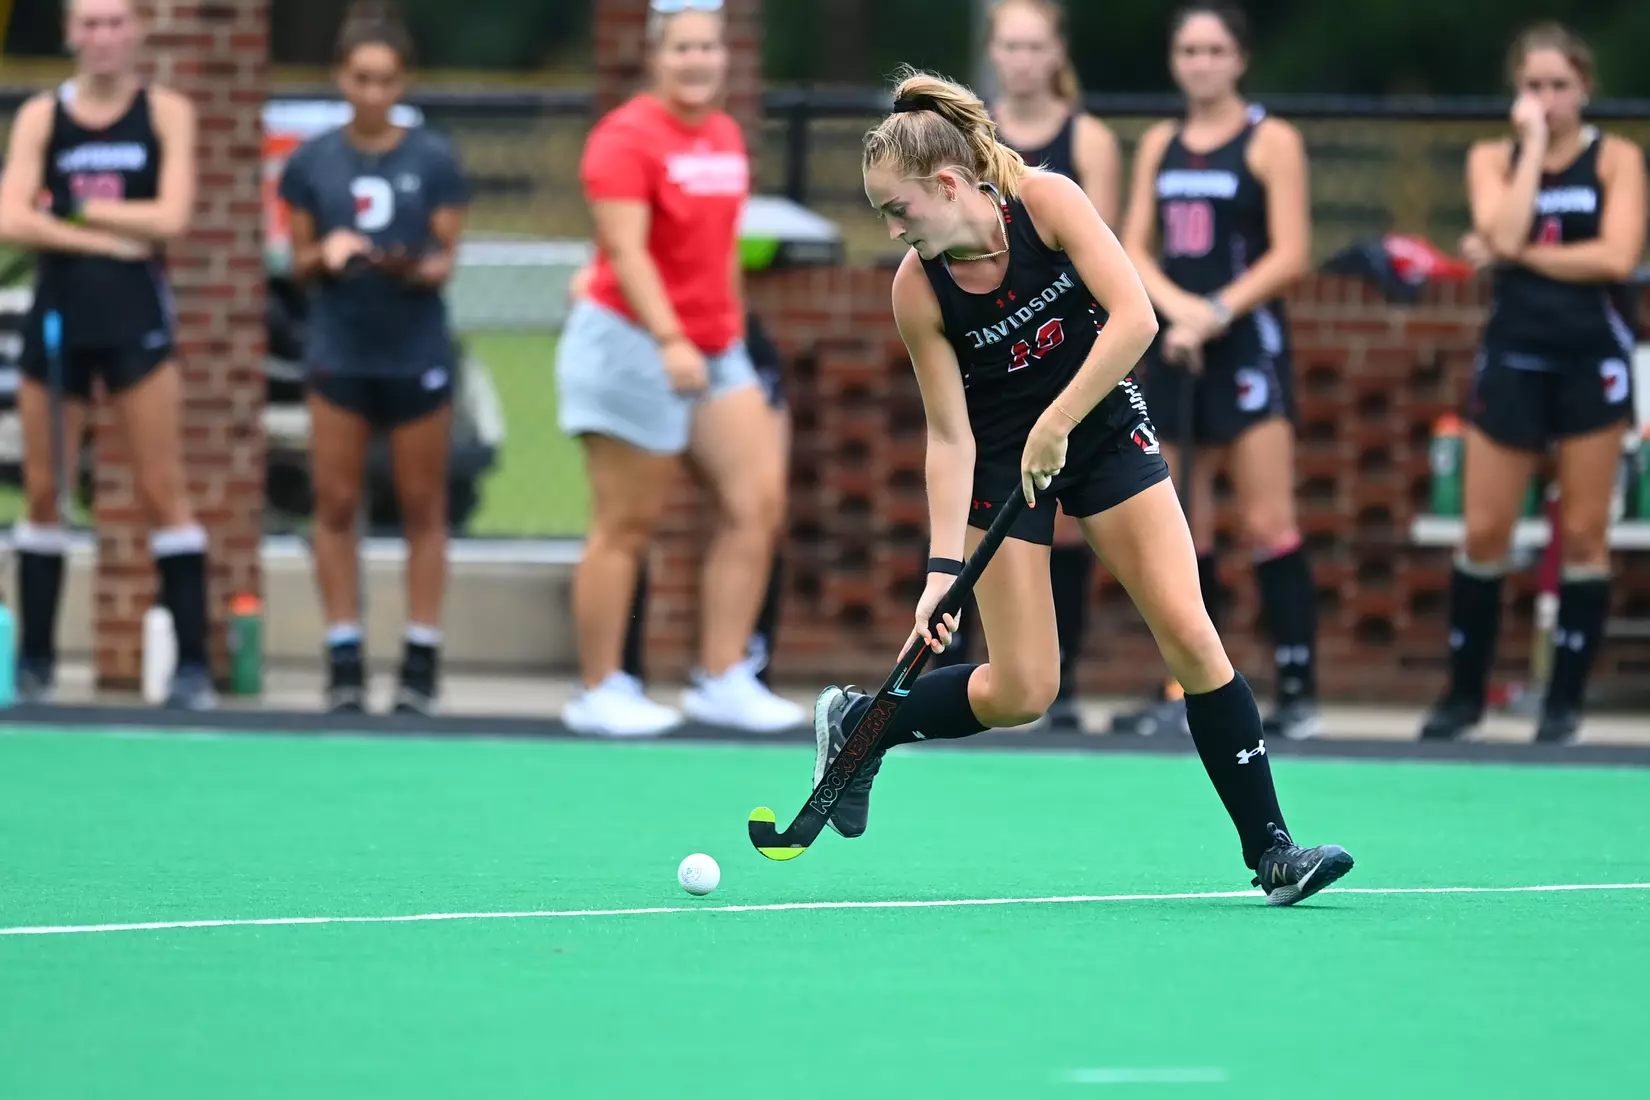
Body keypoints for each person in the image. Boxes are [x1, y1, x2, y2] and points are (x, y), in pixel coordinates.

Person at [820, 67, 1353, 905]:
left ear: (949, 185)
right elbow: (950, 435)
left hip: (1100, 430)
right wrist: (939, 570)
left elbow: (1136, 316)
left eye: (898, 210)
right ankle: (865, 723)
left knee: (1191, 634)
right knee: (1024, 690)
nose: (891, 230)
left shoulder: (1047, 203)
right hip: (1004, 463)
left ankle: (1272, 852)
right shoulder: (917, 291)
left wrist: (1060, 419)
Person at [556, 0, 804, 737]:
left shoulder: (725, 134)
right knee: (625, 524)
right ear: (655, 56)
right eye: (683, 48)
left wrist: (729, 335)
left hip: (716, 349)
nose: (697, 61)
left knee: (757, 504)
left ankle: (722, 676)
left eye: (708, 47)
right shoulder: (624, 137)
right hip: (634, 342)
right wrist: (670, 339)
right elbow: (625, 250)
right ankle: (601, 688)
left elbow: (720, 249)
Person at [1424, 24, 1644, 744]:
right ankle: (1464, 697)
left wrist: (1514, 252)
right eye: (1533, 86)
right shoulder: (1493, 157)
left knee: (1582, 533)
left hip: (1591, 355)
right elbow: (1503, 226)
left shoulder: (1616, 158)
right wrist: (1531, 155)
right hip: (1514, 354)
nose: (1547, 99)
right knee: (1486, 529)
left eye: (1559, 86)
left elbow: (1615, 256)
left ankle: (1563, 705)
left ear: (1585, 87)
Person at [0, 0, 213, 709]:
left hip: (135, 319)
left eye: (115, 22)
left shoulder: (165, 113)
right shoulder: (43, 117)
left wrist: (73, 207)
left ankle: (191, 666)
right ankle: (35, 663)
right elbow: (10, 216)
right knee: (44, 488)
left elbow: (171, 216)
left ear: (137, 30)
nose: (103, 37)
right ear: (70, 33)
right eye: (90, 24)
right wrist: (109, 239)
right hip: (60, 317)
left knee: (161, 487)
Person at [1116, 3, 1319, 740]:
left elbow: (1291, 253)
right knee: (1181, 526)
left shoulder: (1271, 140)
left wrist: (1216, 311)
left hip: (1245, 345)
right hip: (1176, 344)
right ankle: (1188, 688)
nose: (1201, 64)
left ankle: (1297, 687)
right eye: (1189, 51)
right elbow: (1133, 245)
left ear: (1239, 58)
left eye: (1214, 50)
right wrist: (1179, 313)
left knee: (1267, 521)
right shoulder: (1160, 144)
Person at [927, 0, 1123, 732]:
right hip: (1002, 403)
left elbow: (1106, 263)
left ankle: (1062, 676)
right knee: (983, 507)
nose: (1023, 59)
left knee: (1071, 530)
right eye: (1009, 45)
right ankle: (990, 667)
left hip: (1079, 370)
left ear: (1057, 53)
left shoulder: (1081, 149)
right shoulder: (958, 145)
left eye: (1035, 45)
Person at [278, 0, 471, 714]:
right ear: (341, 78)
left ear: (403, 82)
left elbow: (444, 258)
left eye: (386, 80)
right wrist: (327, 253)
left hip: (413, 347)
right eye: (361, 79)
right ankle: (344, 654)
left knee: (422, 504)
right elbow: (298, 262)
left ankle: (420, 656)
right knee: (335, 501)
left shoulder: (433, 158)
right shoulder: (312, 162)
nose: (373, 93)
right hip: (341, 346)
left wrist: (407, 263)